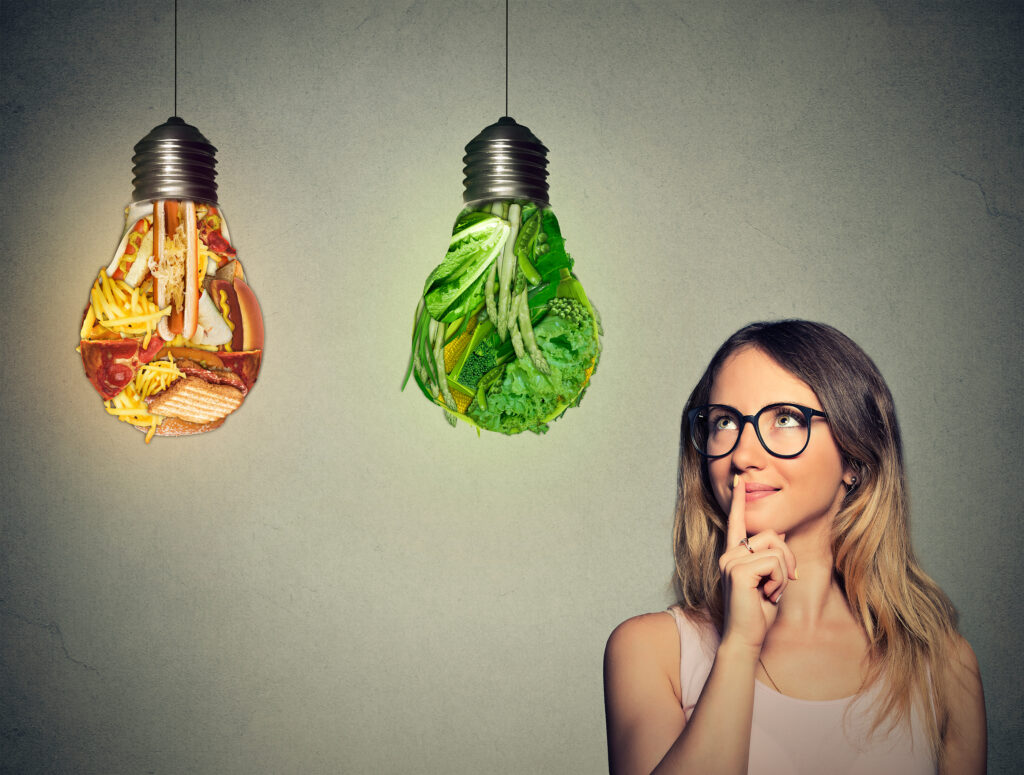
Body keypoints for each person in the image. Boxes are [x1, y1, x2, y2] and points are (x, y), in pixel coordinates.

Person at [603, 320, 986, 775]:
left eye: (785, 418)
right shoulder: (652, 651)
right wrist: (740, 647)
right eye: (725, 422)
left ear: (855, 458)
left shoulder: (943, 666)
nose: (743, 455)